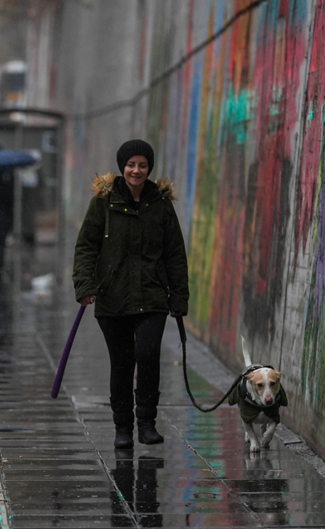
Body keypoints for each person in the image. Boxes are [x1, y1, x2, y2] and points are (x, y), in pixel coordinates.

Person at [72, 139, 188, 449]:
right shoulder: (104, 202)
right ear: (122, 167)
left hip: (152, 297)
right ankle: (122, 428)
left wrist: (179, 297)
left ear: (149, 168)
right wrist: (84, 286)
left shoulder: (160, 205)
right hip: (113, 298)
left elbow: (175, 253)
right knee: (121, 363)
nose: (136, 170)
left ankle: (146, 423)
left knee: (148, 356)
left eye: (143, 165)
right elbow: (86, 247)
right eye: (131, 164)